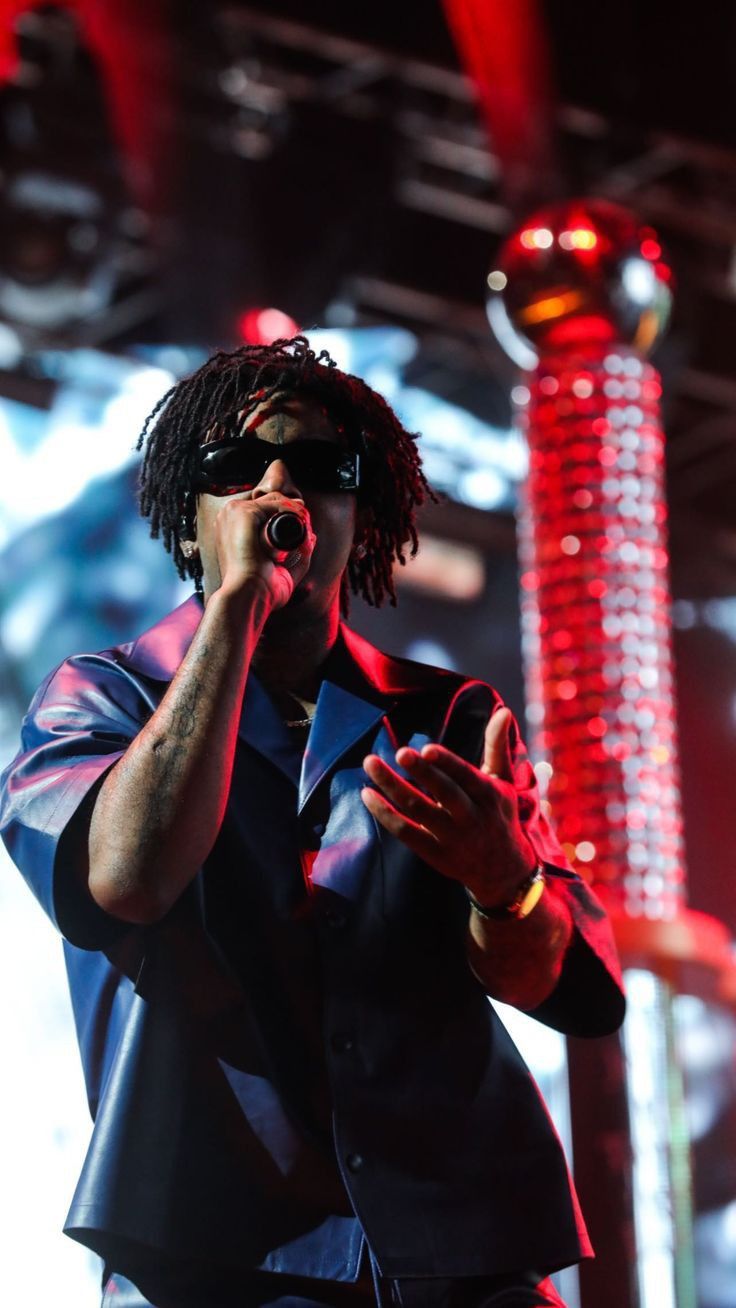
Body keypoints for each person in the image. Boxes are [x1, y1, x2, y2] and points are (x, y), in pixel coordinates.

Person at [0, 337, 625, 1308]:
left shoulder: (447, 717)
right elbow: (125, 879)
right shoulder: (98, 699)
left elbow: (572, 987)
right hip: (214, 1257)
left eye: (322, 468)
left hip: (456, 1255)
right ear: (188, 517)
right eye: (236, 467)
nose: (277, 488)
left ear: (359, 513)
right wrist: (238, 608)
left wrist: (508, 883)